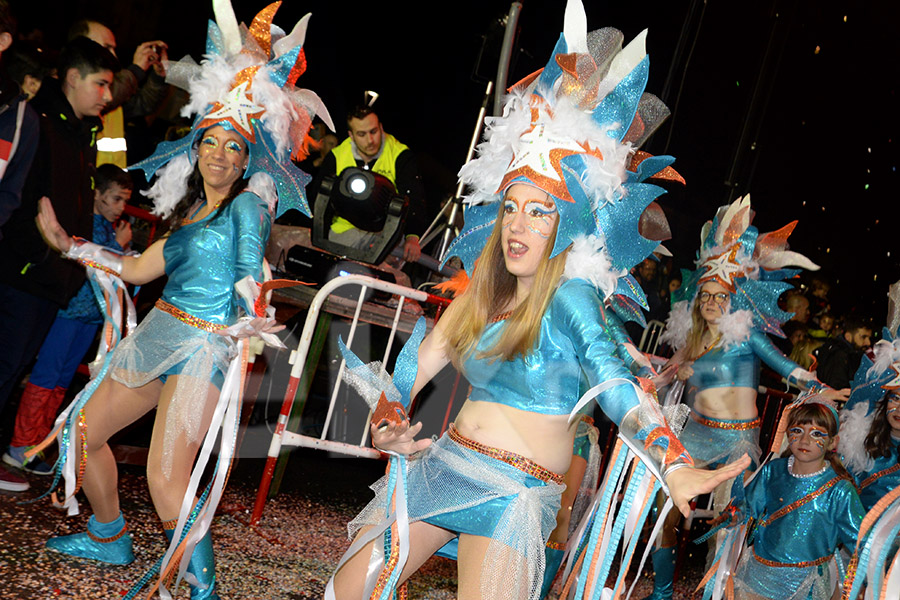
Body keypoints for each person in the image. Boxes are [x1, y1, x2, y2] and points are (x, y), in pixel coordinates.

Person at [327, 4, 749, 598]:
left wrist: (671, 461)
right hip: (444, 464)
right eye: (512, 208)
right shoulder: (483, 289)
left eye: (541, 210)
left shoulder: (571, 295)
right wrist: (387, 419)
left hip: (516, 490)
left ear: (566, 222)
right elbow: (416, 363)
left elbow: (612, 381)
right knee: (347, 589)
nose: (521, 226)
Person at [31, 3, 330, 597]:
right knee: (83, 430)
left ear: (249, 159)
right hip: (158, 335)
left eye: (234, 148)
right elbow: (140, 268)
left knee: (168, 484)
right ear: (196, 145)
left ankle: (202, 589)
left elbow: (250, 268)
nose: (220, 154)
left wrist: (252, 312)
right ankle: (108, 532)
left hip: (203, 350)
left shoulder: (249, 205)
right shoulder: (193, 215)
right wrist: (72, 246)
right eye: (212, 142)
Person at [648, 196, 848, 600]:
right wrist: (653, 368)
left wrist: (819, 387)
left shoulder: (745, 335)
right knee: (661, 505)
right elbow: (664, 374)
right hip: (695, 435)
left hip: (737, 440)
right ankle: (663, 591)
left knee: (731, 516)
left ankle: (717, 593)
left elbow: (787, 367)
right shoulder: (692, 340)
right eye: (705, 296)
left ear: (733, 298)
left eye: (719, 296)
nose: (710, 303)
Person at [0, 36, 115, 493]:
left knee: (14, 370)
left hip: (49, 279)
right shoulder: (43, 124)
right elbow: (22, 200)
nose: (107, 95)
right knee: (6, 366)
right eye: (100, 84)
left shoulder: (78, 131)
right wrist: (40, 260)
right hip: (24, 276)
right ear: (72, 79)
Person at [3, 164, 132, 475]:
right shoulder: (88, 223)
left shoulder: (108, 226)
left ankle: (36, 443)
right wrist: (120, 245)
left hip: (89, 318)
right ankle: (19, 445)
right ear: (97, 194)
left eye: (124, 201)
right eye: (115, 199)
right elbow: (97, 257)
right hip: (68, 314)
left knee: (62, 381)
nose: (121, 208)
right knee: (46, 376)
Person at [722, 400, 863, 600]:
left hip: (807, 582)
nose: (804, 440)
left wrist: (863, 581)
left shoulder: (840, 491)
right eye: (797, 431)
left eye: (816, 434)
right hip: (760, 572)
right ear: (788, 434)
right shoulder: (773, 470)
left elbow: (861, 541)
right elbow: (748, 505)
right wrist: (733, 515)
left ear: (832, 442)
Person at [313, 103, 426, 262]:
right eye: (361, 134)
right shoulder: (337, 156)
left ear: (381, 127)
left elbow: (413, 197)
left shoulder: (400, 156)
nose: (370, 140)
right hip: (342, 233)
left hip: (384, 236)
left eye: (374, 131)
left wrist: (413, 237)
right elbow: (318, 198)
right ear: (351, 135)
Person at [68, 18, 168, 168]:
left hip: (108, 184)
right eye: (106, 48)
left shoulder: (115, 90)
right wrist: (136, 70)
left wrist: (159, 76)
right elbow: (107, 97)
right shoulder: (67, 87)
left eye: (114, 49)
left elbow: (144, 104)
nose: (114, 56)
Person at [815, 315, 873, 390]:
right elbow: (838, 389)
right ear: (848, 336)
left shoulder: (851, 355)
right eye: (863, 337)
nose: (868, 343)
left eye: (869, 338)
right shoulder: (839, 356)